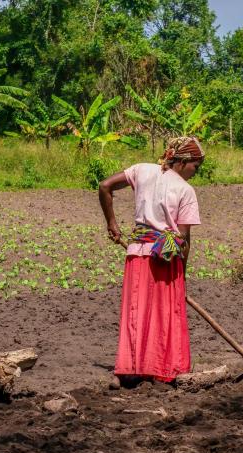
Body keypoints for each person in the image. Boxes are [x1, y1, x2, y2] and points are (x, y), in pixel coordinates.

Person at [98, 136, 205, 387]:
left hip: (137, 254)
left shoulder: (141, 170)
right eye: (195, 167)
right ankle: (164, 368)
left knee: (136, 312)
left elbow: (105, 186)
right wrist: (183, 276)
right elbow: (184, 238)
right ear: (182, 161)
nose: (195, 172)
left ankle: (128, 369)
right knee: (165, 314)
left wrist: (112, 224)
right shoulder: (186, 191)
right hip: (165, 259)